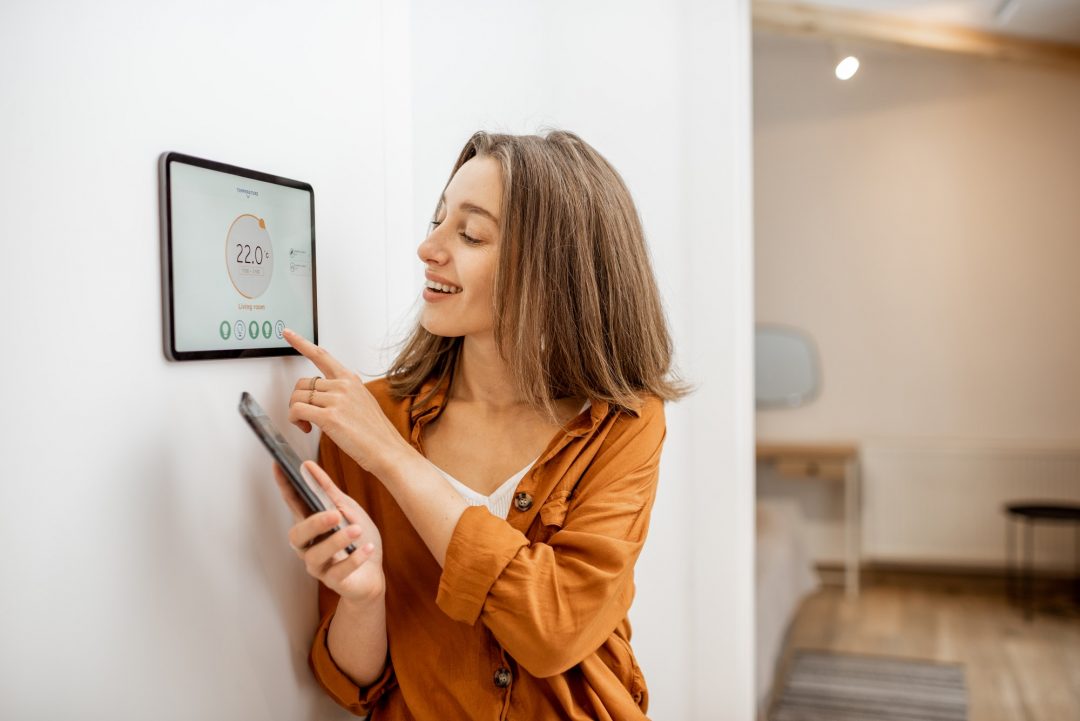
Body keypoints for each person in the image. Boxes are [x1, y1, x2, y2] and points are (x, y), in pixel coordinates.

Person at [272, 130, 688, 720]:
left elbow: (552, 630)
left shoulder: (623, 422)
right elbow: (352, 685)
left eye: (469, 233)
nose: (428, 247)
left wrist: (395, 459)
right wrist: (364, 597)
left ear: (555, 270)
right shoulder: (365, 419)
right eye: (438, 221)